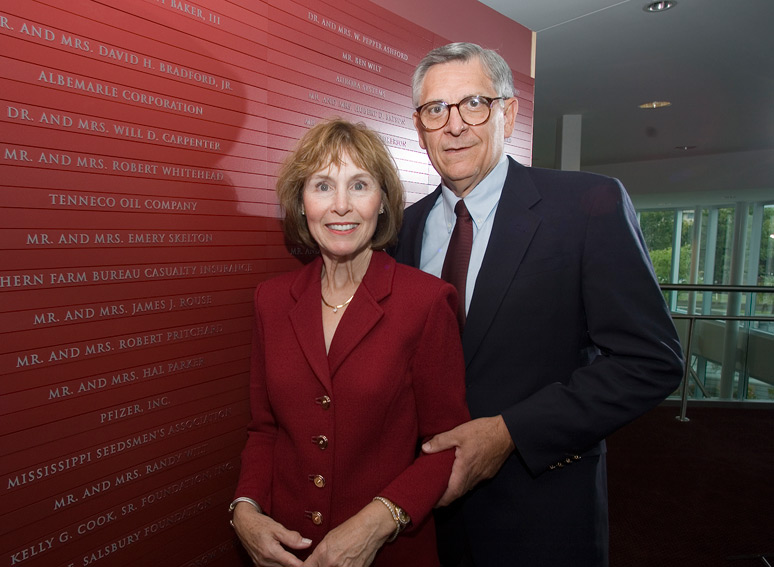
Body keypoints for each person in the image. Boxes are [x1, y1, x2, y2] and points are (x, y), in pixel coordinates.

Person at [392, 43, 685, 566]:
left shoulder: (585, 207)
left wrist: (510, 432)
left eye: (473, 103)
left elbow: (649, 361)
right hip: (429, 522)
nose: (453, 125)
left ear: (508, 112)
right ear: (419, 127)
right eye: (435, 110)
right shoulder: (404, 229)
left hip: (541, 517)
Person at [231, 118, 470, 567]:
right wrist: (245, 510)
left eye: (359, 185)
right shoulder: (271, 300)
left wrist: (377, 523)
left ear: (382, 203)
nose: (341, 206)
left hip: (389, 551)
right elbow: (265, 429)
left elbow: (447, 444)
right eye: (322, 186)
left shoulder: (426, 301)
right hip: (290, 552)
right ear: (302, 204)